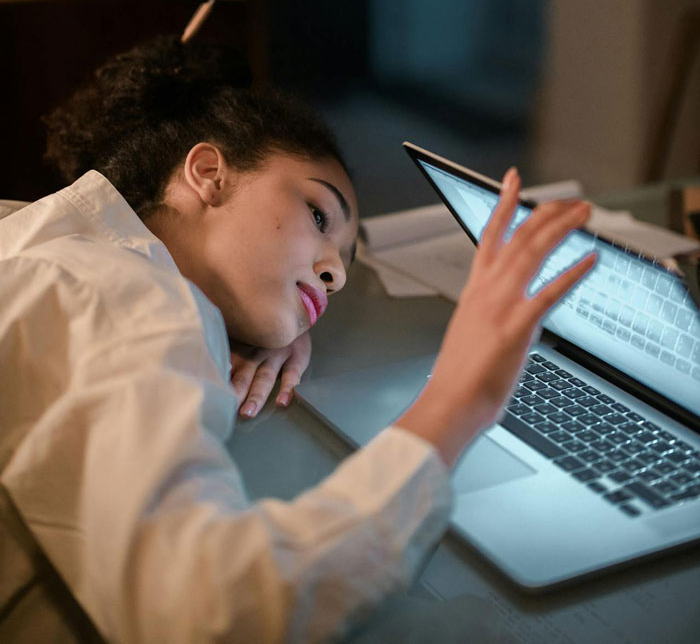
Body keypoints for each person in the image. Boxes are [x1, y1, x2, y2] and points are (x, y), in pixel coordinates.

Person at [0, 36, 595, 643]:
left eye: (340, 267)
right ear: (208, 173)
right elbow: (210, 614)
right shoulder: (118, 296)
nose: (334, 272)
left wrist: (250, 311)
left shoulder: (49, 245)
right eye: (318, 216)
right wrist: (458, 400)